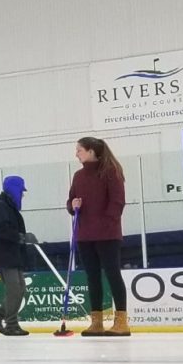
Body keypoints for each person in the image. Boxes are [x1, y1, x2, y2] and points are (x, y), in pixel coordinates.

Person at [69, 136, 131, 337]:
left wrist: (107, 224)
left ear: (91, 151)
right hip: (85, 234)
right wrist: (73, 205)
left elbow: (117, 202)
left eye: (79, 150)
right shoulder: (78, 176)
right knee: (92, 277)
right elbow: (71, 200)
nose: (76, 153)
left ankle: (121, 321)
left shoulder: (111, 172)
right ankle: (96, 322)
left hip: (107, 234)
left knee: (113, 274)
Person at [0, 176, 33, 337]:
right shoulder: (0, 206)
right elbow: (1, 230)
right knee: (15, 289)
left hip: (12, 255)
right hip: (5, 256)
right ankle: (11, 324)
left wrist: (23, 238)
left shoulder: (8, 206)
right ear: (14, 189)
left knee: (20, 289)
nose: (22, 195)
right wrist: (22, 237)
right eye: (21, 191)